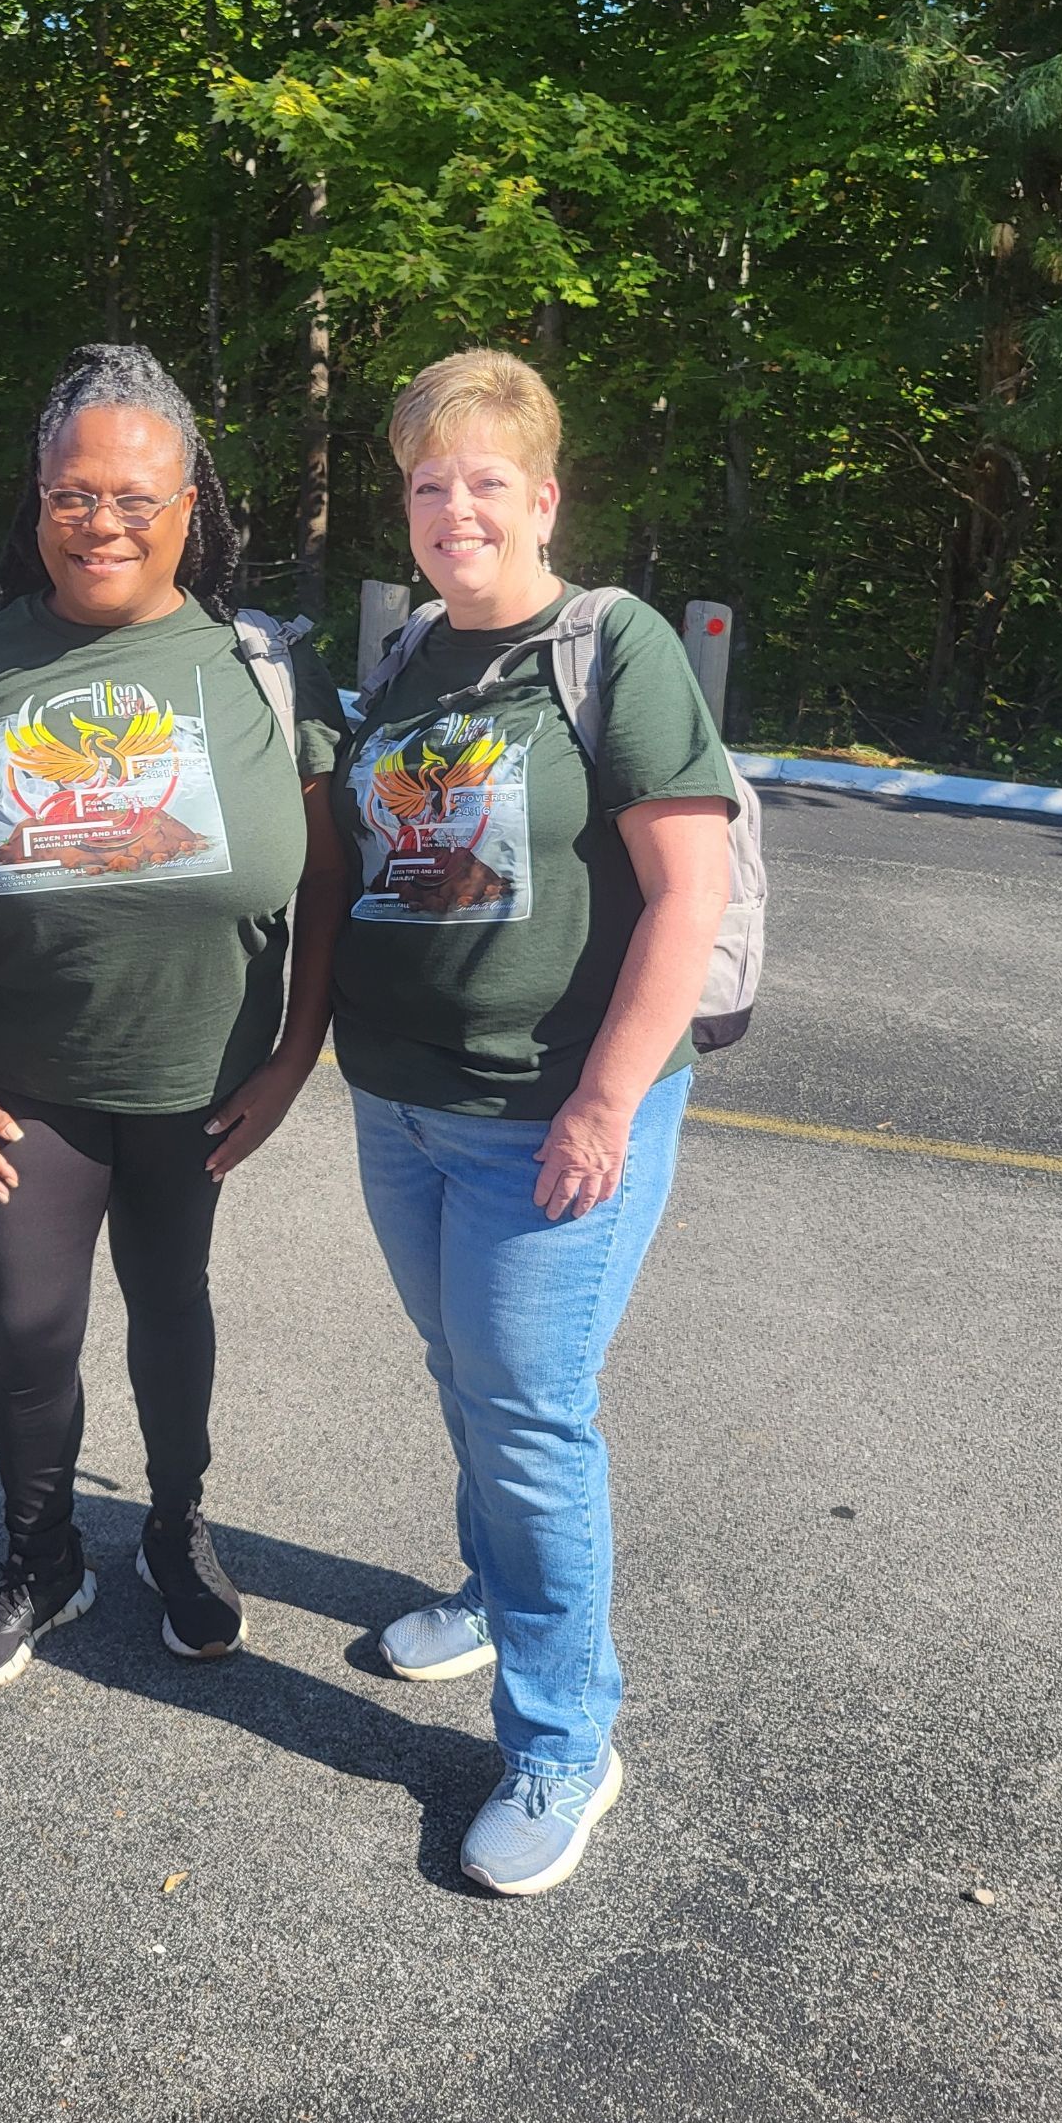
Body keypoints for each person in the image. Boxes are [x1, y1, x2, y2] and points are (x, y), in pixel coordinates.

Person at [0, 343, 348, 1691]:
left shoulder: (266, 668)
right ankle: (42, 1556)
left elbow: (330, 879)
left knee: (170, 1307)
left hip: (203, 1077)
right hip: (19, 1078)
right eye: (73, 495)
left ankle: (175, 1527)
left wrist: (295, 1056)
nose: (103, 524)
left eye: (137, 499)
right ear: (37, 501)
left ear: (192, 508)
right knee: (29, 1329)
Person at [330, 348, 734, 1896]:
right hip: (405, 1105)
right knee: (470, 1376)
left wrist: (606, 1102)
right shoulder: (412, 652)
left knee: (529, 1414)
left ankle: (567, 1739)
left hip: (552, 1113)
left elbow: (689, 893)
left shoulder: (613, 645)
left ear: (545, 498)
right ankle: (496, 1595)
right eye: (428, 484)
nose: (456, 509)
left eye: (485, 480)